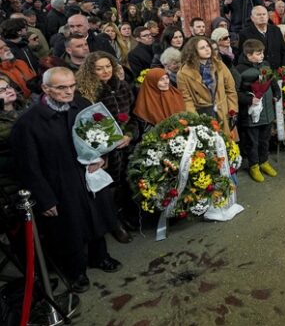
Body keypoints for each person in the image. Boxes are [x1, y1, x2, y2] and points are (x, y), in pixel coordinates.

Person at [12, 67, 122, 294]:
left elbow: (100, 136)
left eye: (72, 86)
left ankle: (100, 257)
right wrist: (45, 199)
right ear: (46, 89)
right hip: (59, 184)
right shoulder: (28, 124)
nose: (69, 91)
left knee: (96, 218)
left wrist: (101, 158)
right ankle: (76, 272)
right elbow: (28, 167)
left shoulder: (80, 105)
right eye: (62, 87)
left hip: (88, 176)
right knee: (69, 229)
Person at [75, 51, 136, 243]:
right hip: (104, 152)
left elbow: (133, 115)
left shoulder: (123, 86)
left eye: (108, 66)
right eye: (99, 68)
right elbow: (85, 126)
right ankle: (114, 223)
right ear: (90, 71)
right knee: (109, 189)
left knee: (126, 183)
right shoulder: (86, 94)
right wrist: (101, 149)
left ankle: (127, 215)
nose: (105, 71)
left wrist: (129, 135)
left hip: (125, 146)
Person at [235, 39, 280, 182]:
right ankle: (254, 166)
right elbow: (235, 92)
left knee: (265, 140)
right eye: (258, 53)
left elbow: (272, 81)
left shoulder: (265, 65)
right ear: (248, 55)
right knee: (252, 142)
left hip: (267, 111)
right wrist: (249, 100)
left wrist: (277, 93)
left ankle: (264, 162)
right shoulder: (239, 70)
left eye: (262, 53)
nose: (262, 55)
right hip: (251, 115)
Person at [177, 36, 239, 137]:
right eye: (202, 48)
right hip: (202, 113)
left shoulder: (219, 65)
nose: (207, 49)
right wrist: (196, 120)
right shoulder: (183, 73)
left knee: (226, 145)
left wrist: (233, 110)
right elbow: (186, 99)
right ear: (193, 51)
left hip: (223, 112)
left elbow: (230, 89)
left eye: (207, 46)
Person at [133, 68, 186, 132]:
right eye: (161, 79)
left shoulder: (175, 93)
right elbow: (146, 128)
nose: (166, 82)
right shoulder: (144, 101)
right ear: (152, 82)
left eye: (167, 78)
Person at [239, 6, 285, 70]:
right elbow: (244, 55)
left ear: (268, 17)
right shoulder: (245, 33)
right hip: (257, 72)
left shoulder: (276, 30)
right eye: (258, 15)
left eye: (264, 14)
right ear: (252, 18)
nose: (262, 16)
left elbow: (284, 51)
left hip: (278, 71)